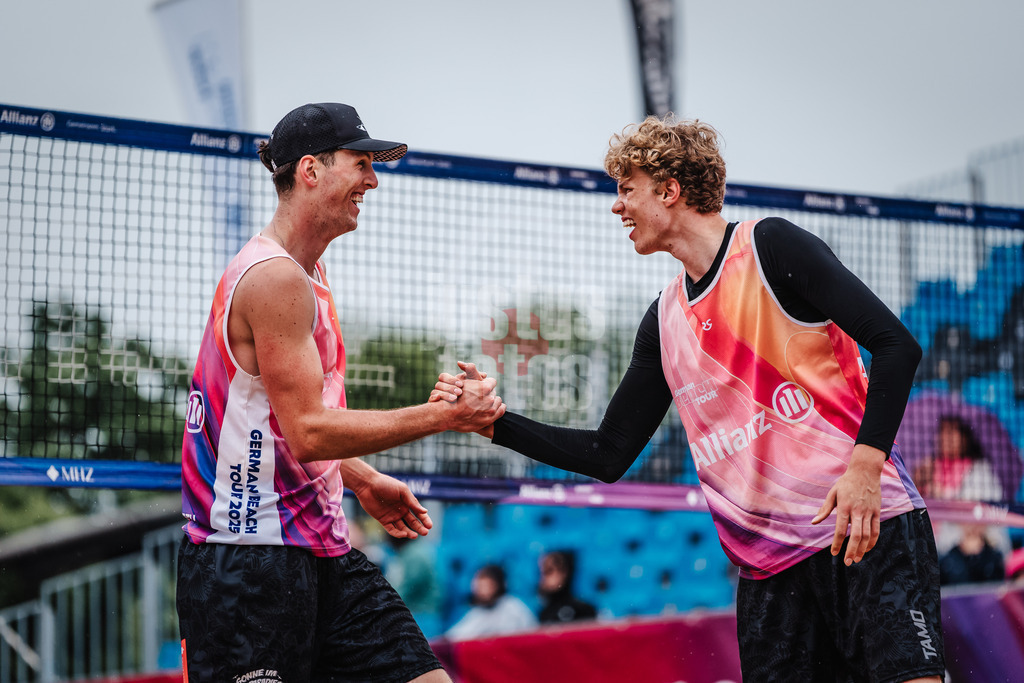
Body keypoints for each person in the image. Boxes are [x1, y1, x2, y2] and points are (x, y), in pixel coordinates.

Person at [434, 115, 944, 682]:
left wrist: (865, 468)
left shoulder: (770, 247)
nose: (616, 206)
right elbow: (607, 454)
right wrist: (492, 422)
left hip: (862, 525)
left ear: (669, 190)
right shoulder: (663, 319)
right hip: (770, 569)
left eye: (627, 189)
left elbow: (897, 345)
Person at [177, 102, 505, 683]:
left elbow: (281, 425)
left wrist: (364, 480)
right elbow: (307, 433)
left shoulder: (309, 273)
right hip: (248, 561)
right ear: (311, 170)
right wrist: (444, 416)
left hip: (322, 551)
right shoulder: (275, 277)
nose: (373, 180)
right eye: (361, 164)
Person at [445, 563, 538, 641]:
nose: (482, 591)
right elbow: (453, 638)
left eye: (487, 585)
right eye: (479, 586)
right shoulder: (477, 613)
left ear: (498, 585)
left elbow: (532, 636)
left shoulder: (514, 608)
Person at [537, 549, 597, 625]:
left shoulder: (584, 611)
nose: (543, 578)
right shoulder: (544, 614)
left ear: (565, 573)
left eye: (549, 571)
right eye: (541, 572)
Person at [938, 522, 1005, 585]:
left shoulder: (995, 558)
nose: (973, 526)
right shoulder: (946, 562)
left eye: (978, 521)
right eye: (967, 520)